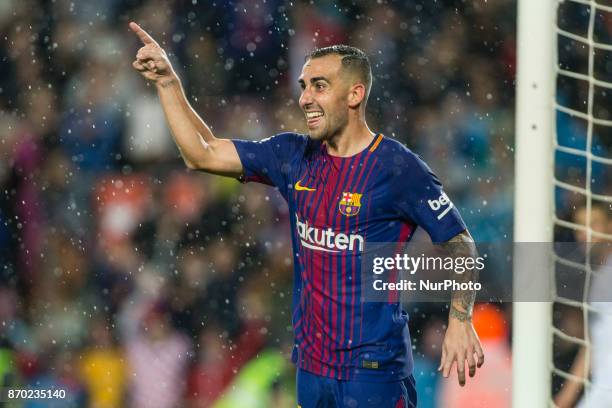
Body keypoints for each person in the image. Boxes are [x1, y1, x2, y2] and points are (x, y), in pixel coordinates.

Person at [128, 21, 484, 407]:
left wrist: (460, 320)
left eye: (319, 86)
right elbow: (203, 152)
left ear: (354, 94)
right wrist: (167, 82)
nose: (305, 98)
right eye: (303, 86)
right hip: (312, 371)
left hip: (373, 372)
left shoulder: (397, 169)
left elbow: (459, 243)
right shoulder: (292, 156)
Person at [554, 204, 612, 408]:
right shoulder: (597, 275)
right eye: (580, 226)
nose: (585, 233)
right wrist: (564, 400)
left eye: (593, 224)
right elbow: (592, 345)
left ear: (610, 226)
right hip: (601, 388)